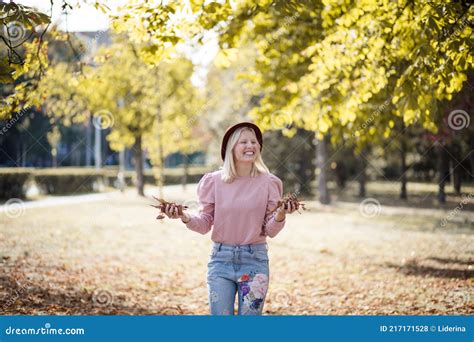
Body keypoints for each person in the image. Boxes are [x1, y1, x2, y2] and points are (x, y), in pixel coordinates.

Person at [161, 122, 299, 315]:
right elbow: (203, 224)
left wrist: (281, 214)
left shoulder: (269, 183)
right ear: (231, 148)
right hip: (221, 260)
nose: (250, 145)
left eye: (254, 142)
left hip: (254, 261)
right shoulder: (214, 182)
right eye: (243, 142)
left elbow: (270, 231)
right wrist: (183, 216)